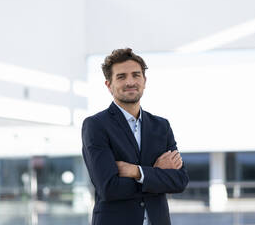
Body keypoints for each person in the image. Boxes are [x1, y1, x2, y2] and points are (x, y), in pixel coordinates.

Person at [81, 48, 189, 225]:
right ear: (109, 85)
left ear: (144, 81)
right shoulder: (96, 125)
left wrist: (136, 172)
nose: (130, 82)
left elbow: (180, 181)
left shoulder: (161, 126)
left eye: (136, 75)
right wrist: (155, 174)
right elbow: (109, 188)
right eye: (121, 77)